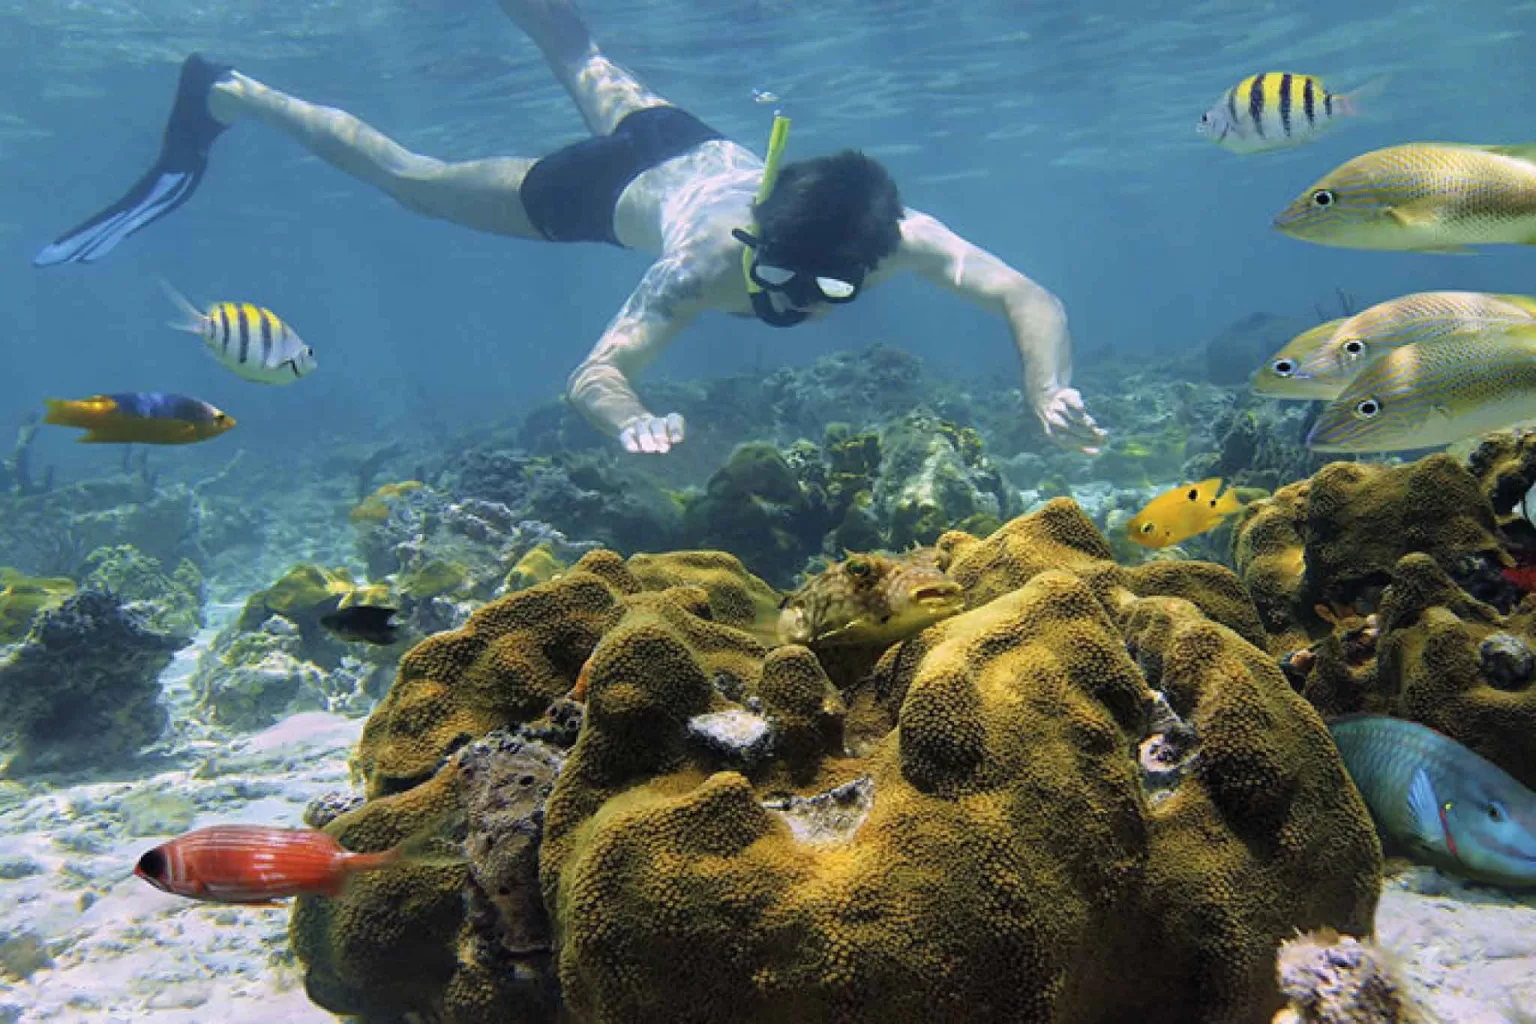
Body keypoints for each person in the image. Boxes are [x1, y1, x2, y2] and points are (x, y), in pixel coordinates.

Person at [34, 0, 1106, 457]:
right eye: (776, 271)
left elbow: (1030, 296)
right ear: (759, 233)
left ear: (878, 260)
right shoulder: (701, 263)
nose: (782, 301)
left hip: (687, 137)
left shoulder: (901, 235)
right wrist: (627, 418)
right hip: (603, 192)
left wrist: (1043, 384)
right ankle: (229, 91)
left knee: (570, 41)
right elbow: (598, 373)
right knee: (413, 179)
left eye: (823, 295)